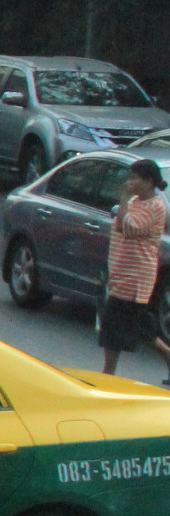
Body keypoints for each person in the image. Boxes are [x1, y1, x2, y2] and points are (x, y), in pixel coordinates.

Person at [100, 159, 170, 383]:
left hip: (137, 276)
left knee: (116, 323)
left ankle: (108, 373)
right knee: (137, 325)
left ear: (148, 181)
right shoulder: (136, 202)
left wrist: (122, 199)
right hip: (123, 272)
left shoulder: (156, 206)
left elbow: (127, 227)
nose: (130, 183)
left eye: (135, 178)